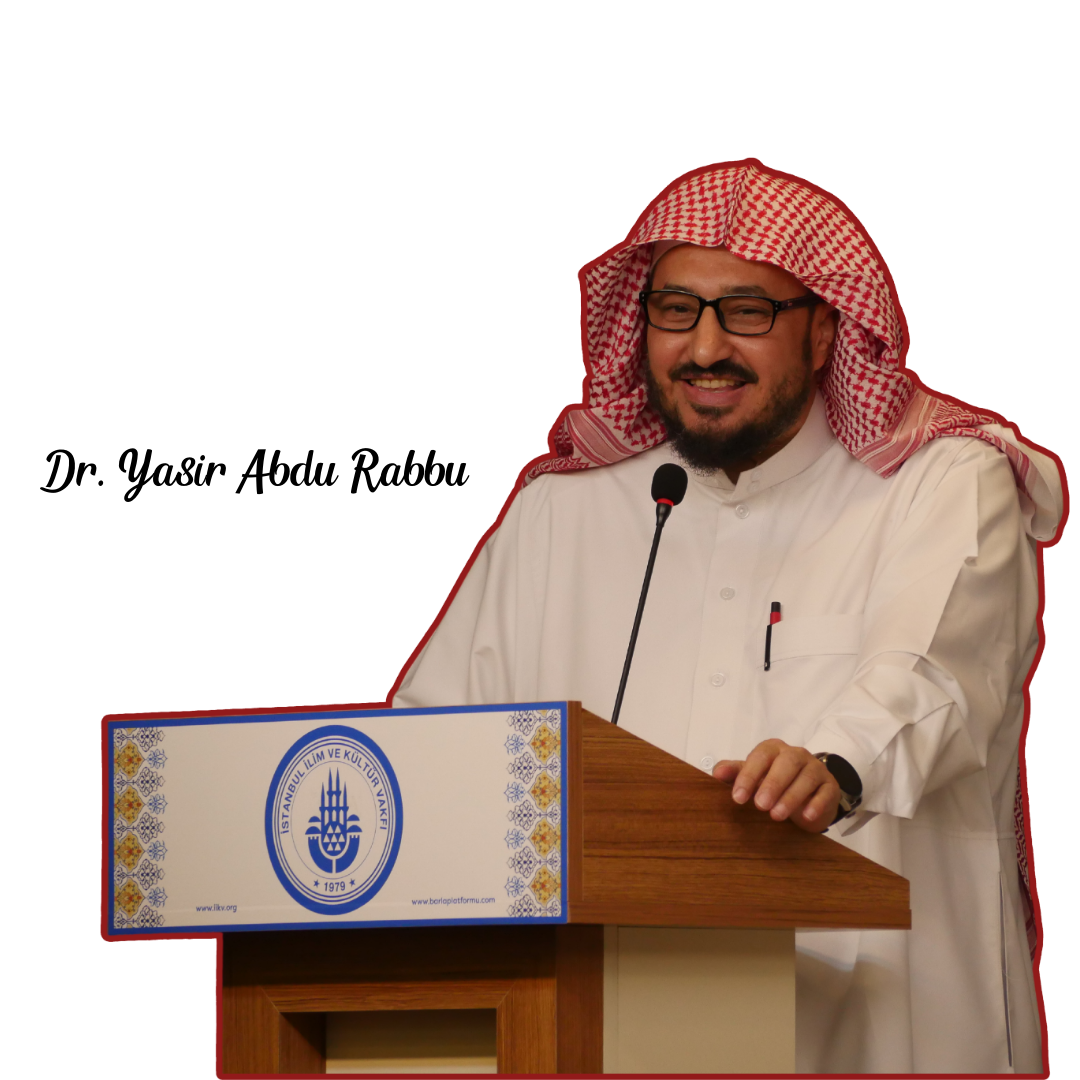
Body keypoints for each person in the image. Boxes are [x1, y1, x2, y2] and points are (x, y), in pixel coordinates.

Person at [393, 161, 1061, 1073]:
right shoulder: (562, 515)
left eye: (747, 311)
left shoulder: (940, 483)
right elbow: (428, 749)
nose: (705, 346)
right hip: (601, 1025)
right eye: (676, 310)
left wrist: (832, 767)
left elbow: (935, 675)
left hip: (875, 1034)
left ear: (824, 330)